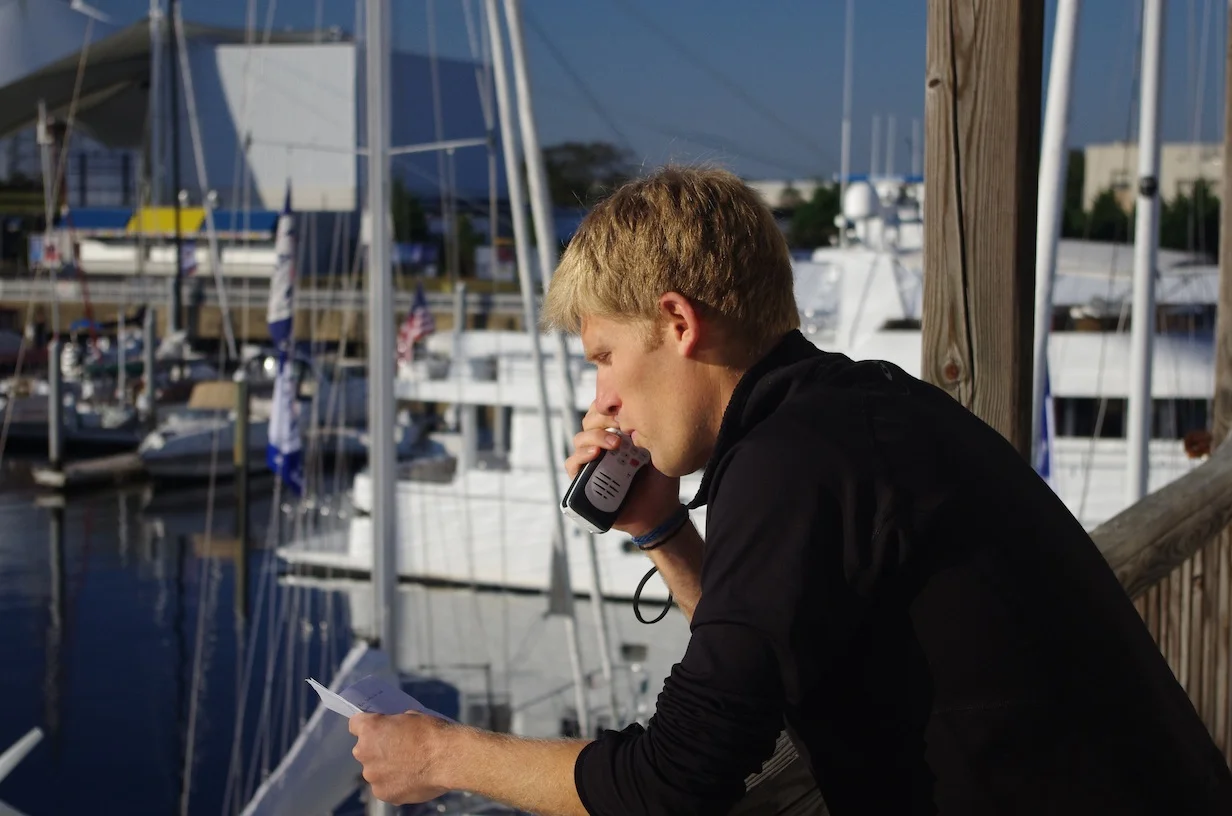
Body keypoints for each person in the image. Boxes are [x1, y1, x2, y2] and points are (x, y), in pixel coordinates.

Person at [350, 166, 1232, 815]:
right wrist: (662, 530)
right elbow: (771, 659)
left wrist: (441, 751)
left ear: (678, 322)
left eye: (604, 359)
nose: (602, 402)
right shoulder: (850, 410)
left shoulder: (792, 461)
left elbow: (677, 777)